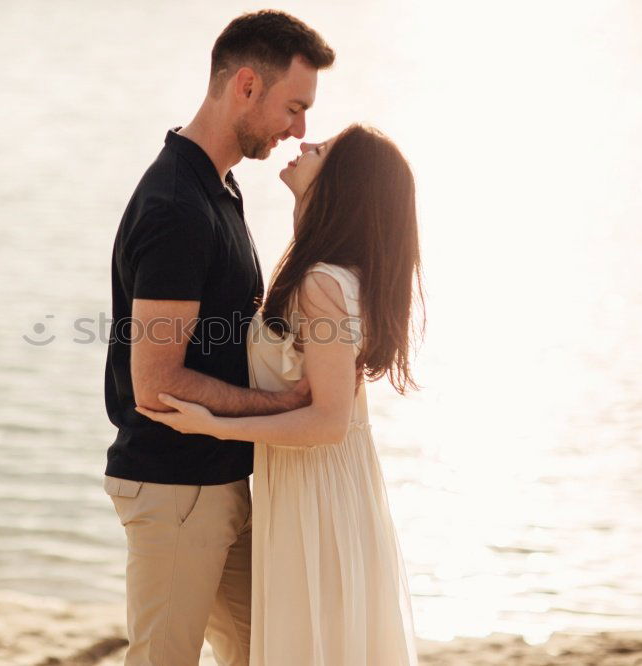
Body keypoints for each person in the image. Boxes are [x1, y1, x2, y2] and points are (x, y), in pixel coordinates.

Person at [138, 124, 425, 665]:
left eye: (324, 150)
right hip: (315, 482)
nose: (305, 145)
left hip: (316, 486)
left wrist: (217, 425)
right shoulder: (324, 270)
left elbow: (327, 421)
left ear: (345, 182)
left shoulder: (322, 283)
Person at [102, 10, 335, 666]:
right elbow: (157, 383)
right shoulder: (178, 207)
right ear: (245, 87)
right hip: (177, 488)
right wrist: (292, 407)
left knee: (268, 653)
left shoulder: (218, 189)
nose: (300, 129)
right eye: (294, 106)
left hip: (219, 478)